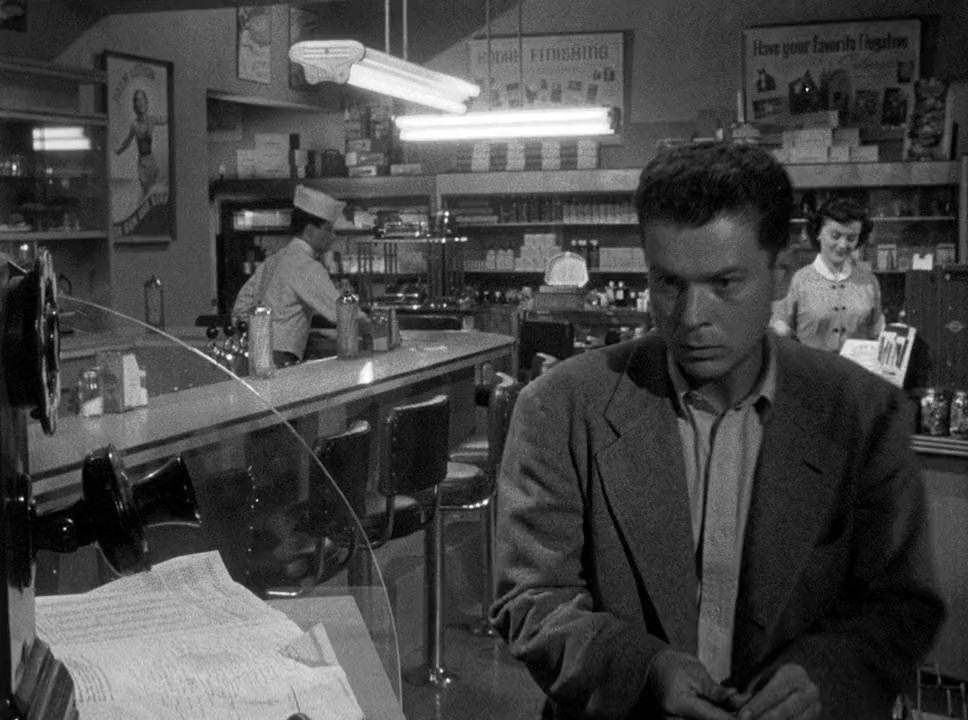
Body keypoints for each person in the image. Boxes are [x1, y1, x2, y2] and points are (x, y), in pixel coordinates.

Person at [490, 141, 944, 720]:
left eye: (725, 283)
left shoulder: (864, 414)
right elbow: (531, 599)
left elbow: (899, 605)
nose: (691, 318)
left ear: (780, 275)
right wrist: (642, 670)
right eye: (668, 283)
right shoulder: (559, 406)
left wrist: (824, 677)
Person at [233, 185, 368, 367]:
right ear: (310, 230)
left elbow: (241, 308)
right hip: (278, 359)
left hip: (252, 354)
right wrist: (376, 328)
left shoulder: (275, 259)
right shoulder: (304, 265)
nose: (333, 236)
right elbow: (342, 312)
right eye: (328, 229)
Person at [771, 196, 884, 352]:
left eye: (851, 238)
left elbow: (876, 334)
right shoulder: (798, 280)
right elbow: (780, 330)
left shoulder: (869, 282)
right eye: (835, 236)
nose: (843, 245)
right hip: (811, 367)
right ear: (818, 233)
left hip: (856, 368)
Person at [115, 89, 166, 200]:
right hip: (142, 165)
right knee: (147, 192)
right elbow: (127, 141)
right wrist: (118, 151)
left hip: (152, 163)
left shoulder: (152, 120)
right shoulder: (135, 125)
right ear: (135, 105)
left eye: (142, 99)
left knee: (152, 191)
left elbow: (165, 120)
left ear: (146, 102)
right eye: (137, 100)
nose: (140, 103)